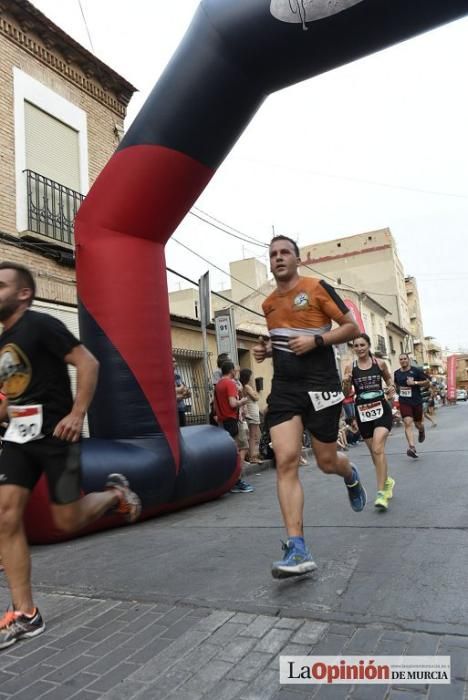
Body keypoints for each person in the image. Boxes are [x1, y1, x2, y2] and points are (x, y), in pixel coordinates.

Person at [0, 262, 141, 650]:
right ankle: (25, 614)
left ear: (23, 293)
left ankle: (115, 495)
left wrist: (78, 414)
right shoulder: (2, 342)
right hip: (18, 436)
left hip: (57, 433)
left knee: (66, 519)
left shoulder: (41, 324)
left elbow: (88, 362)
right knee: (5, 515)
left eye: (1, 285)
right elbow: (12, 393)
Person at [253, 235, 366, 579]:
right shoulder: (269, 304)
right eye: (273, 254)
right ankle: (297, 546)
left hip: (322, 385)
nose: (278, 258)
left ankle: (350, 474)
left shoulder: (317, 288)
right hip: (286, 389)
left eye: (285, 252)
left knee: (326, 461)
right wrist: (268, 351)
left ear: (297, 259)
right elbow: (286, 341)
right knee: (286, 460)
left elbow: (351, 328)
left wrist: (317, 340)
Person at [343, 333, 395, 511]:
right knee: (376, 455)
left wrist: (391, 388)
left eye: (362, 345)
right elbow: (345, 393)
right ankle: (387, 482)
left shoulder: (379, 363)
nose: (359, 348)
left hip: (381, 409)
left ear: (368, 345)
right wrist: (346, 382)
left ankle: (381, 493)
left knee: (378, 448)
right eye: (356, 346)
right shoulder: (350, 366)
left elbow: (388, 379)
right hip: (363, 412)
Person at [214, 361, 254, 493]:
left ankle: (230, 480)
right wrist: (242, 401)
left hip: (222, 421)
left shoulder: (218, 384)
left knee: (230, 451)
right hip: (232, 420)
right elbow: (232, 404)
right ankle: (237, 480)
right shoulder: (230, 383)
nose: (237, 371)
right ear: (231, 370)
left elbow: (215, 404)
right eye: (235, 369)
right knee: (242, 449)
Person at [394, 353, 430, 459]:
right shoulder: (397, 373)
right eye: (401, 359)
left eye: (405, 358)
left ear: (408, 359)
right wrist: (398, 392)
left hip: (416, 401)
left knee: (418, 423)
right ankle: (412, 447)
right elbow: (396, 386)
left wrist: (415, 383)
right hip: (404, 401)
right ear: (399, 361)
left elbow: (427, 382)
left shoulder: (416, 371)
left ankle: (421, 430)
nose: (403, 360)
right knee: (407, 422)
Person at [239, 368, 262, 464]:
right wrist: (254, 390)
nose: (252, 378)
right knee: (253, 436)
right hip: (252, 412)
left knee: (251, 435)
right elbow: (256, 397)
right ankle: (253, 456)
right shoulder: (247, 387)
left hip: (251, 412)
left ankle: (250, 455)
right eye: (251, 376)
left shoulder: (243, 387)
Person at [173, 357, 190, 427]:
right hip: (173, 410)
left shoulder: (178, 376)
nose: (176, 363)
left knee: (183, 431)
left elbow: (188, 392)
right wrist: (180, 390)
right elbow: (172, 393)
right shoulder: (166, 376)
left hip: (181, 408)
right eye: (173, 362)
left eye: (175, 361)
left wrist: (179, 393)